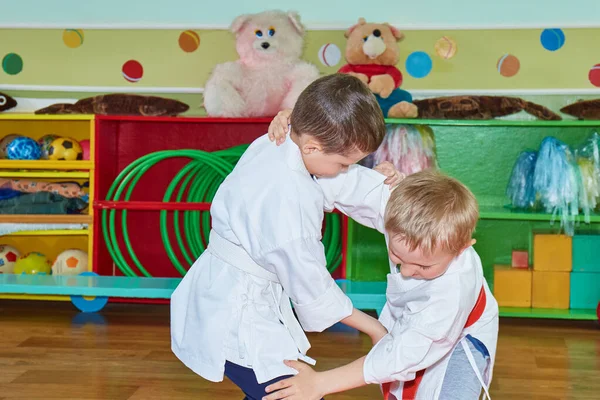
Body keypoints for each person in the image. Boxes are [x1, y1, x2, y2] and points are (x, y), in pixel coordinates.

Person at [170, 73, 402, 400]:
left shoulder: (285, 140)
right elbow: (311, 285)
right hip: (235, 312)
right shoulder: (287, 205)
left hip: (226, 291)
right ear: (312, 146)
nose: (345, 169)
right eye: (344, 162)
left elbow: (341, 182)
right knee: (290, 391)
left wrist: (389, 191)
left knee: (273, 390)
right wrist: (374, 328)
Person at [262, 111, 499, 400]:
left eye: (423, 266)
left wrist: (321, 383)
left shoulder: (453, 290)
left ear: (462, 248)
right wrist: (294, 139)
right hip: (413, 322)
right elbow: (339, 182)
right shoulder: (399, 211)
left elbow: (403, 355)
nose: (408, 271)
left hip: (461, 335)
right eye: (398, 258)